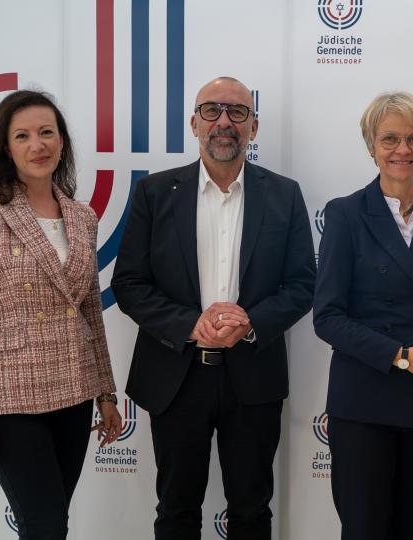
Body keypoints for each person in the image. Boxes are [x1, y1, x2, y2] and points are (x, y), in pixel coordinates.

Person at [111, 76, 315, 540]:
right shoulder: (155, 193)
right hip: (176, 376)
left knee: (251, 509)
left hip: (254, 376)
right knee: (177, 510)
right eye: (211, 111)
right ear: (193, 123)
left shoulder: (285, 195)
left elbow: (303, 284)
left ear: (254, 127)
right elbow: (128, 283)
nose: (224, 122)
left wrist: (250, 322)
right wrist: (191, 325)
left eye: (237, 112)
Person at [0, 89, 121, 540]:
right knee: (42, 525)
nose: (37, 145)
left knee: (52, 522)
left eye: (46, 133)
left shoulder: (82, 216)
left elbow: (90, 313)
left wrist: (106, 394)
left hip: (75, 392)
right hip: (10, 399)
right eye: (22, 135)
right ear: (6, 147)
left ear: (62, 142)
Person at [313, 91, 413, 540]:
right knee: (364, 528)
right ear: (371, 146)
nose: (402, 150)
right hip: (364, 398)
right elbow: (327, 316)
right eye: (389, 139)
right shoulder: (345, 214)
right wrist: (403, 356)